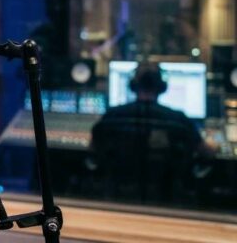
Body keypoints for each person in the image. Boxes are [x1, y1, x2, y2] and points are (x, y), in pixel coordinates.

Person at [90, 62, 212, 201]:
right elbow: (206, 152)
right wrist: (215, 145)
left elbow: (94, 148)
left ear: (133, 86)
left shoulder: (112, 117)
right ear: (162, 87)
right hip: (168, 198)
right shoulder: (179, 121)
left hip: (119, 197)